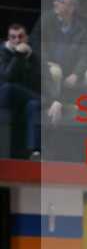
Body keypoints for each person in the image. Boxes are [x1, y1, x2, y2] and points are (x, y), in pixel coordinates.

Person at [30, 0, 87, 122]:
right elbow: (35, 44)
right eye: (57, 0)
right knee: (55, 72)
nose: (55, 3)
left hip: (71, 72)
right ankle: (53, 112)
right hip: (49, 67)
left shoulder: (80, 28)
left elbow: (86, 55)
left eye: (60, 1)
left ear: (72, 7)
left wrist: (76, 73)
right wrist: (46, 62)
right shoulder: (46, 20)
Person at [0, 24, 42, 158]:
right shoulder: (2, 53)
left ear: (26, 38)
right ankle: (44, 101)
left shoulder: (34, 55)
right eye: (13, 37)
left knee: (33, 105)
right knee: (8, 88)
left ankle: (34, 152)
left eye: (20, 37)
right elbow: (7, 77)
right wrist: (18, 55)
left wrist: (30, 57)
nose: (17, 40)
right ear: (8, 39)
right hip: (6, 97)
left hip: (26, 97)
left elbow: (39, 80)